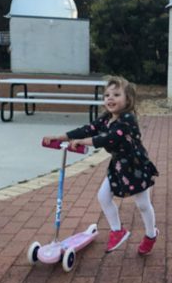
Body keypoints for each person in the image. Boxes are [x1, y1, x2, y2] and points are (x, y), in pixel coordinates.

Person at [43, 76, 159, 255]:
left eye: (116, 94)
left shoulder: (127, 119)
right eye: (107, 95)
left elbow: (108, 138)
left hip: (136, 166)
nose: (110, 98)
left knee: (143, 204)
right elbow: (88, 129)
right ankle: (117, 230)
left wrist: (83, 141)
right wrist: (62, 137)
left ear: (127, 99)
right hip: (118, 165)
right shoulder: (106, 118)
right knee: (103, 196)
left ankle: (151, 235)